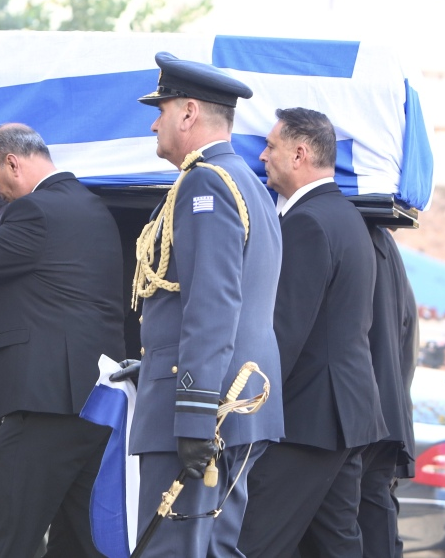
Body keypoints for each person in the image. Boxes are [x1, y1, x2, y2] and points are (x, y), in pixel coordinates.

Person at [111, 52, 283, 558]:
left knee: (170, 550)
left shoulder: (206, 181)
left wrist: (193, 413)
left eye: (161, 110)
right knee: (213, 550)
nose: (154, 123)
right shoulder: (246, 181)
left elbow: (213, 305)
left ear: (188, 112)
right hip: (235, 402)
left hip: (205, 410)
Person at [0, 123, 125, 557]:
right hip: (94, 403)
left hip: (42, 405)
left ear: (13, 163)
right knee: (81, 544)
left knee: (8, 543)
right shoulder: (94, 207)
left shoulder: (35, 211)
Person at [239, 108, 386, 558]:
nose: (262, 155)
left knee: (253, 542)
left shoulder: (306, 222)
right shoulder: (347, 217)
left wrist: (244, 407)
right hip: (344, 414)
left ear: (299, 154)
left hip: (308, 419)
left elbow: (283, 332)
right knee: (334, 544)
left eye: (271, 146)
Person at [355, 224, 418, 558]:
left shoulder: (367, 243)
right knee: (377, 518)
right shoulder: (387, 249)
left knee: (367, 518)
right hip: (387, 412)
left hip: (367, 415)